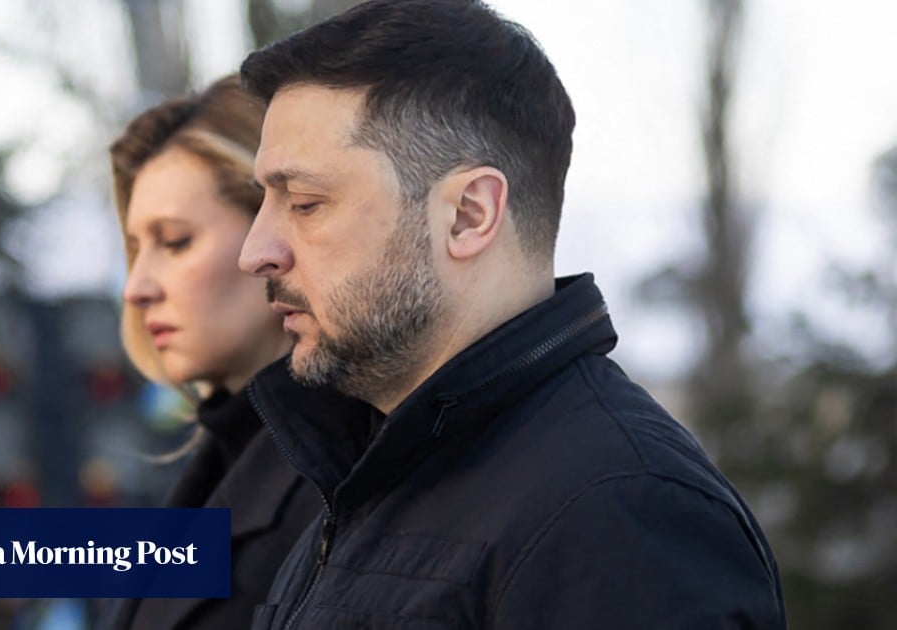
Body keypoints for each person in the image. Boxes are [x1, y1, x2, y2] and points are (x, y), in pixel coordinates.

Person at [236, 1, 787, 628]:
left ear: (469, 215)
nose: (255, 253)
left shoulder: (617, 512)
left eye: (305, 203)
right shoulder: (364, 475)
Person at [102, 75, 322, 630]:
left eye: (175, 241)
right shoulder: (221, 464)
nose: (136, 288)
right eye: (135, 249)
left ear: (272, 238)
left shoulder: (341, 490)